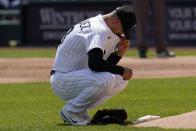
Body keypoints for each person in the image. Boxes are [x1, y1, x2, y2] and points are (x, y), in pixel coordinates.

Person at [50, 6, 136, 126]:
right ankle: (70, 111)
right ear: (116, 21)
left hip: (76, 77)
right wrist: (121, 69)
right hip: (62, 79)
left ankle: (79, 111)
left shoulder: (103, 26)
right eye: (124, 29)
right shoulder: (98, 30)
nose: (122, 34)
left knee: (120, 79)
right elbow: (95, 65)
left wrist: (118, 54)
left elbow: (101, 66)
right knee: (105, 79)